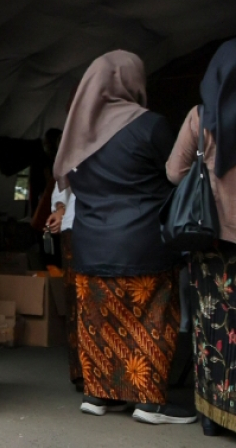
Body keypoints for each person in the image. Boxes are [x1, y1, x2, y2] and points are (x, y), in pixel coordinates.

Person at [54, 50, 193, 425]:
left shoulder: (76, 132)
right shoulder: (151, 126)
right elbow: (178, 175)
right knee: (151, 320)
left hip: (88, 244)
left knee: (100, 323)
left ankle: (98, 394)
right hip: (144, 243)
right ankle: (149, 403)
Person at [167, 39, 236, 437]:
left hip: (211, 241)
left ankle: (214, 415)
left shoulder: (200, 116)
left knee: (211, 327)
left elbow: (175, 173)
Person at [42, 128, 83, 390]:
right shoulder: (71, 147)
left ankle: (103, 377)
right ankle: (82, 373)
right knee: (77, 301)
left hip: (96, 227)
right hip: (74, 229)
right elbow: (63, 190)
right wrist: (59, 210)